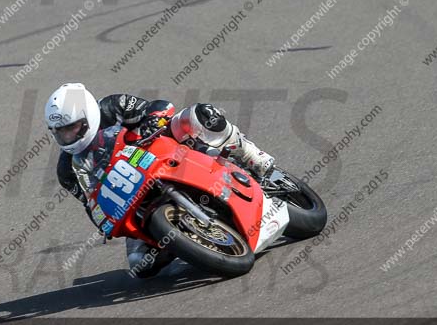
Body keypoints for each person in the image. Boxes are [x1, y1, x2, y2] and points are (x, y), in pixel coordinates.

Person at [44, 82, 275, 278]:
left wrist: (153, 120)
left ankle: (250, 154)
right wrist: (102, 219)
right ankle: (180, 240)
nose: (66, 136)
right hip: (132, 194)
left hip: (161, 151)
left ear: (87, 116)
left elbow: (159, 107)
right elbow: (90, 202)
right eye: (60, 132)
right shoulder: (67, 170)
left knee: (197, 115)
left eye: (71, 128)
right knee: (139, 265)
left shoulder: (112, 106)